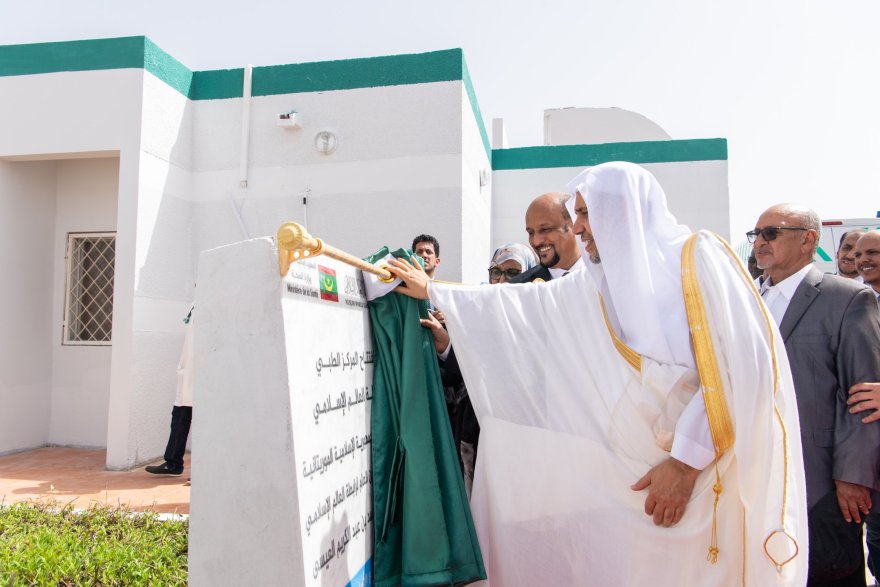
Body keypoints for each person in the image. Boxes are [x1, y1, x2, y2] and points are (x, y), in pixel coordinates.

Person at [387, 162, 807, 585]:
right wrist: (435, 291)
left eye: (586, 214)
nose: (580, 227)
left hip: (701, 476)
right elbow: (521, 306)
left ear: (623, 210)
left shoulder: (697, 259)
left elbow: (742, 369)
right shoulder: (593, 279)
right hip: (635, 481)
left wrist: (683, 465)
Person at [750, 204, 880, 586]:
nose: (760, 243)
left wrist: (853, 476)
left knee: (829, 573)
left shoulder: (848, 299)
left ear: (808, 239)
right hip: (758, 476)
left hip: (822, 482)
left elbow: (863, 396)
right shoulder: (745, 299)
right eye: (755, 234)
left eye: (771, 233)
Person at [146, 308, 194, 477]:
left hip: (200, 374)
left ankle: (202, 472)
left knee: (206, 422)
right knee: (179, 415)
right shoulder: (196, 304)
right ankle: (173, 463)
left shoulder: (210, 301)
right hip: (189, 372)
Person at [511, 192, 582, 283]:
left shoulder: (603, 275)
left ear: (573, 225)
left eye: (545, 229)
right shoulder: (518, 288)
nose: (536, 242)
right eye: (531, 233)